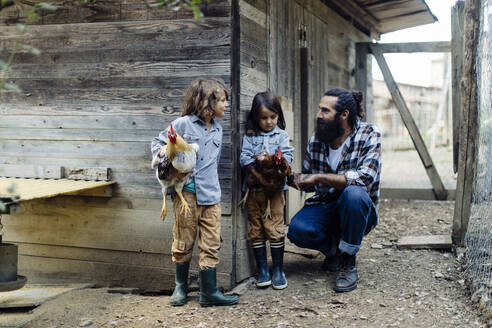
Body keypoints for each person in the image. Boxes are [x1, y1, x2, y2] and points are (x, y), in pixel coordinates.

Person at [151, 78, 239, 307]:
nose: (225, 105)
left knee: (211, 242)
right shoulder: (182, 124)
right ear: (205, 103)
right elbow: (157, 143)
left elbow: (214, 162)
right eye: (221, 101)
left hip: (212, 195)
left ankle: (208, 292)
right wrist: (170, 167)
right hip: (186, 194)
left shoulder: (218, 128)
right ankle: (181, 286)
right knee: (184, 239)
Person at [287, 88, 381, 293]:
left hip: (359, 209)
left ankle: (348, 262)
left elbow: (365, 178)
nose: (318, 115)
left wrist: (320, 177)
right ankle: (336, 251)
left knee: (353, 193)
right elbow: (309, 177)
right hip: (325, 205)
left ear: (344, 114)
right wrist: (293, 178)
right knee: (297, 230)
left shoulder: (369, 134)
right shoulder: (317, 140)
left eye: (325, 111)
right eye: (320, 110)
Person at [240, 92, 294, 290]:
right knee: (256, 228)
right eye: (264, 118)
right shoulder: (250, 135)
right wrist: (258, 163)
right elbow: (244, 157)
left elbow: (288, 157)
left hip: (275, 192)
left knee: (275, 227)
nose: (269, 121)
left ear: (278, 116)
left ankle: (278, 269)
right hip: (254, 190)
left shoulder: (282, 136)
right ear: (256, 117)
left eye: (273, 117)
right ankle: (263, 269)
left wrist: (277, 165)